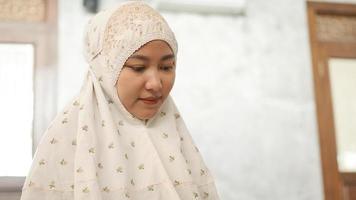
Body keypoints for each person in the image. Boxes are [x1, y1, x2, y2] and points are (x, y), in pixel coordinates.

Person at [20, 1, 220, 199]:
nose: (156, 84)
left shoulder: (177, 139)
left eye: (166, 67)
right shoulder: (66, 141)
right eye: (138, 68)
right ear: (104, 71)